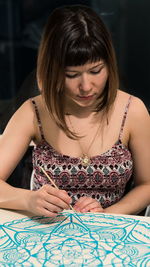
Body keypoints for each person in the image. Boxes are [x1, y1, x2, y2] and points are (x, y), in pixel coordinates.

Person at [0, 5, 150, 217]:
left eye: (96, 70)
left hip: (110, 232)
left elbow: (147, 185)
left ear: (109, 65)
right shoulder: (34, 112)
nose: (86, 86)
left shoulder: (132, 111)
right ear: (52, 71)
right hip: (47, 232)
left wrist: (107, 214)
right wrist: (29, 199)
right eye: (72, 75)